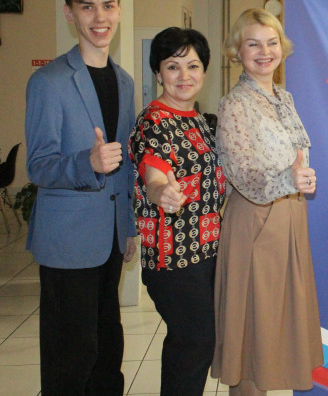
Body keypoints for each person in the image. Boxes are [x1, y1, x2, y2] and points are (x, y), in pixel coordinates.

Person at [25, 0, 136, 395]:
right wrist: (85, 162)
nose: (99, 17)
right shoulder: (49, 81)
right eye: (87, 6)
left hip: (110, 238)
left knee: (108, 347)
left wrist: (128, 227)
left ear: (119, 10)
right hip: (67, 242)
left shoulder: (123, 81)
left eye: (108, 5)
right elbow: (39, 165)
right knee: (71, 354)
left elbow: (125, 165)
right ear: (69, 13)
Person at [211, 9, 323, 396]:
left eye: (271, 43)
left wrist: (297, 178)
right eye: (253, 44)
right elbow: (241, 172)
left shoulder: (283, 97)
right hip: (255, 221)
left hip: (289, 218)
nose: (264, 52)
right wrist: (287, 179)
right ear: (237, 51)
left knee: (277, 330)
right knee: (252, 334)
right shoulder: (235, 104)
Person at [128, 27, 226, 396]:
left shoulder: (199, 120)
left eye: (193, 66)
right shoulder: (154, 121)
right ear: (158, 73)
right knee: (194, 341)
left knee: (194, 343)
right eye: (173, 66)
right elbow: (154, 177)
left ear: (204, 71)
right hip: (173, 258)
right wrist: (161, 193)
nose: (184, 75)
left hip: (206, 252)